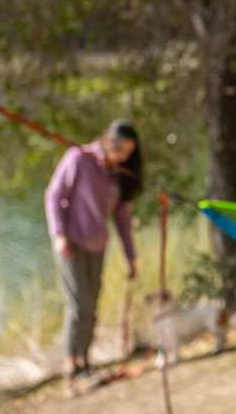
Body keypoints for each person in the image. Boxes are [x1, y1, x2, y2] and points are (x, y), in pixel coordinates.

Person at [44, 119, 143, 387]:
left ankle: (84, 361)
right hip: (71, 243)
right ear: (110, 141)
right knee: (79, 305)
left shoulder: (116, 174)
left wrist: (131, 257)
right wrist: (59, 234)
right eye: (122, 151)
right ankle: (71, 364)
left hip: (98, 245)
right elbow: (53, 195)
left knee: (92, 305)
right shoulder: (78, 158)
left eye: (129, 154)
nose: (124, 157)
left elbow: (122, 218)